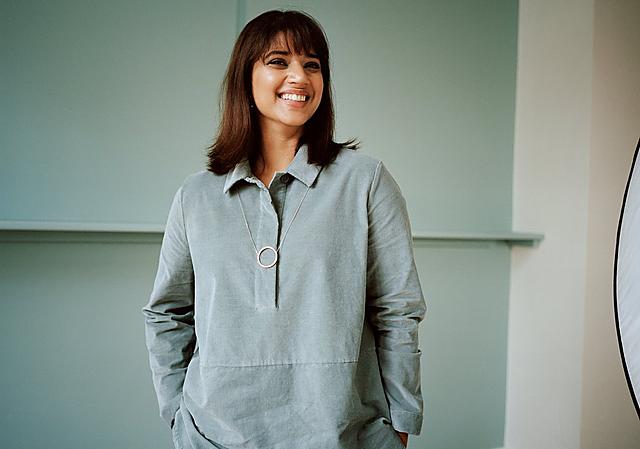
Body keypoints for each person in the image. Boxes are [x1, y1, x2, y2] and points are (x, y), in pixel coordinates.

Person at [142, 9, 426, 449]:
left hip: (345, 435)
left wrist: (402, 420)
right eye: (278, 61)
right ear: (245, 76)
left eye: (312, 65)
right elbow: (167, 312)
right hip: (211, 436)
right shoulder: (196, 195)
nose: (300, 76)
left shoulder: (365, 181)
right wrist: (177, 414)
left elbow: (397, 310)